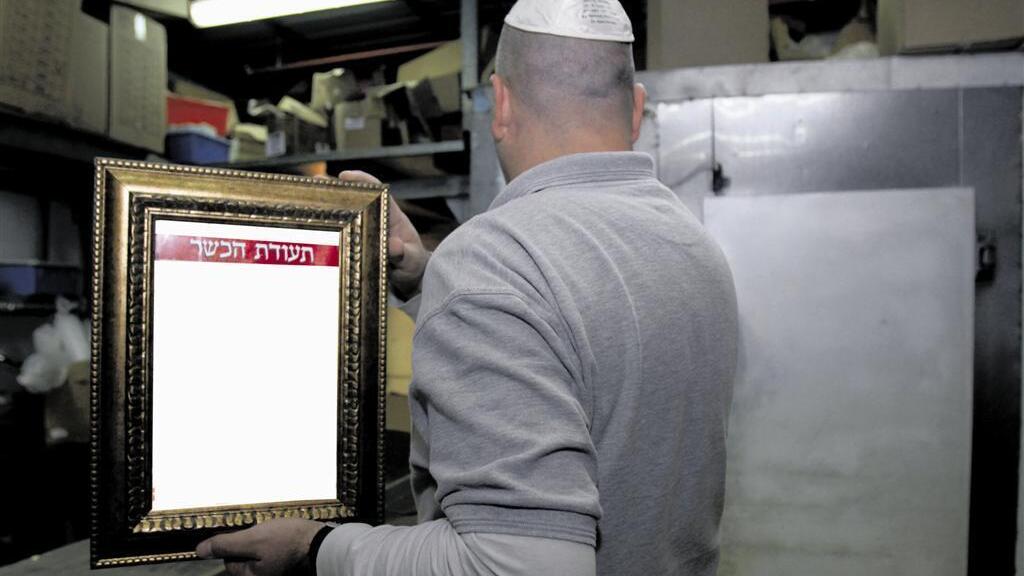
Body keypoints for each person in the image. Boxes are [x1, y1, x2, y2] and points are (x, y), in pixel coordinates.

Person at [196, 0, 738, 574]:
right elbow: (587, 333)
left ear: (498, 104)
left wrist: (316, 549)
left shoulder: (494, 261)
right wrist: (430, 276)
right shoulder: (695, 249)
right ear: (635, 110)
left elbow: (520, 564)